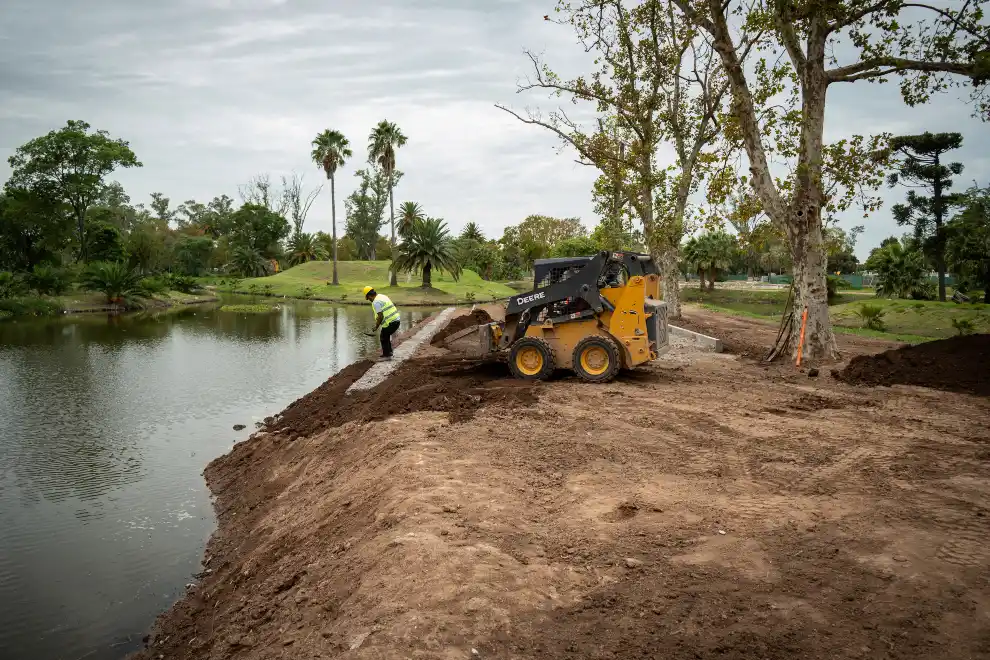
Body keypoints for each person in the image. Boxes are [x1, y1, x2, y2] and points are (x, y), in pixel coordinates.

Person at [363, 286, 400, 360]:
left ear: (369, 295)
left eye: (368, 298)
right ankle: (389, 352)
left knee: (383, 337)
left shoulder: (376, 302)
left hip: (391, 322)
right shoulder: (381, 296)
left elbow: (380, 316)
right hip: (396, 320)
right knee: (385, 335)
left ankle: (387, 356)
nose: (369, 300)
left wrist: (376, 326)